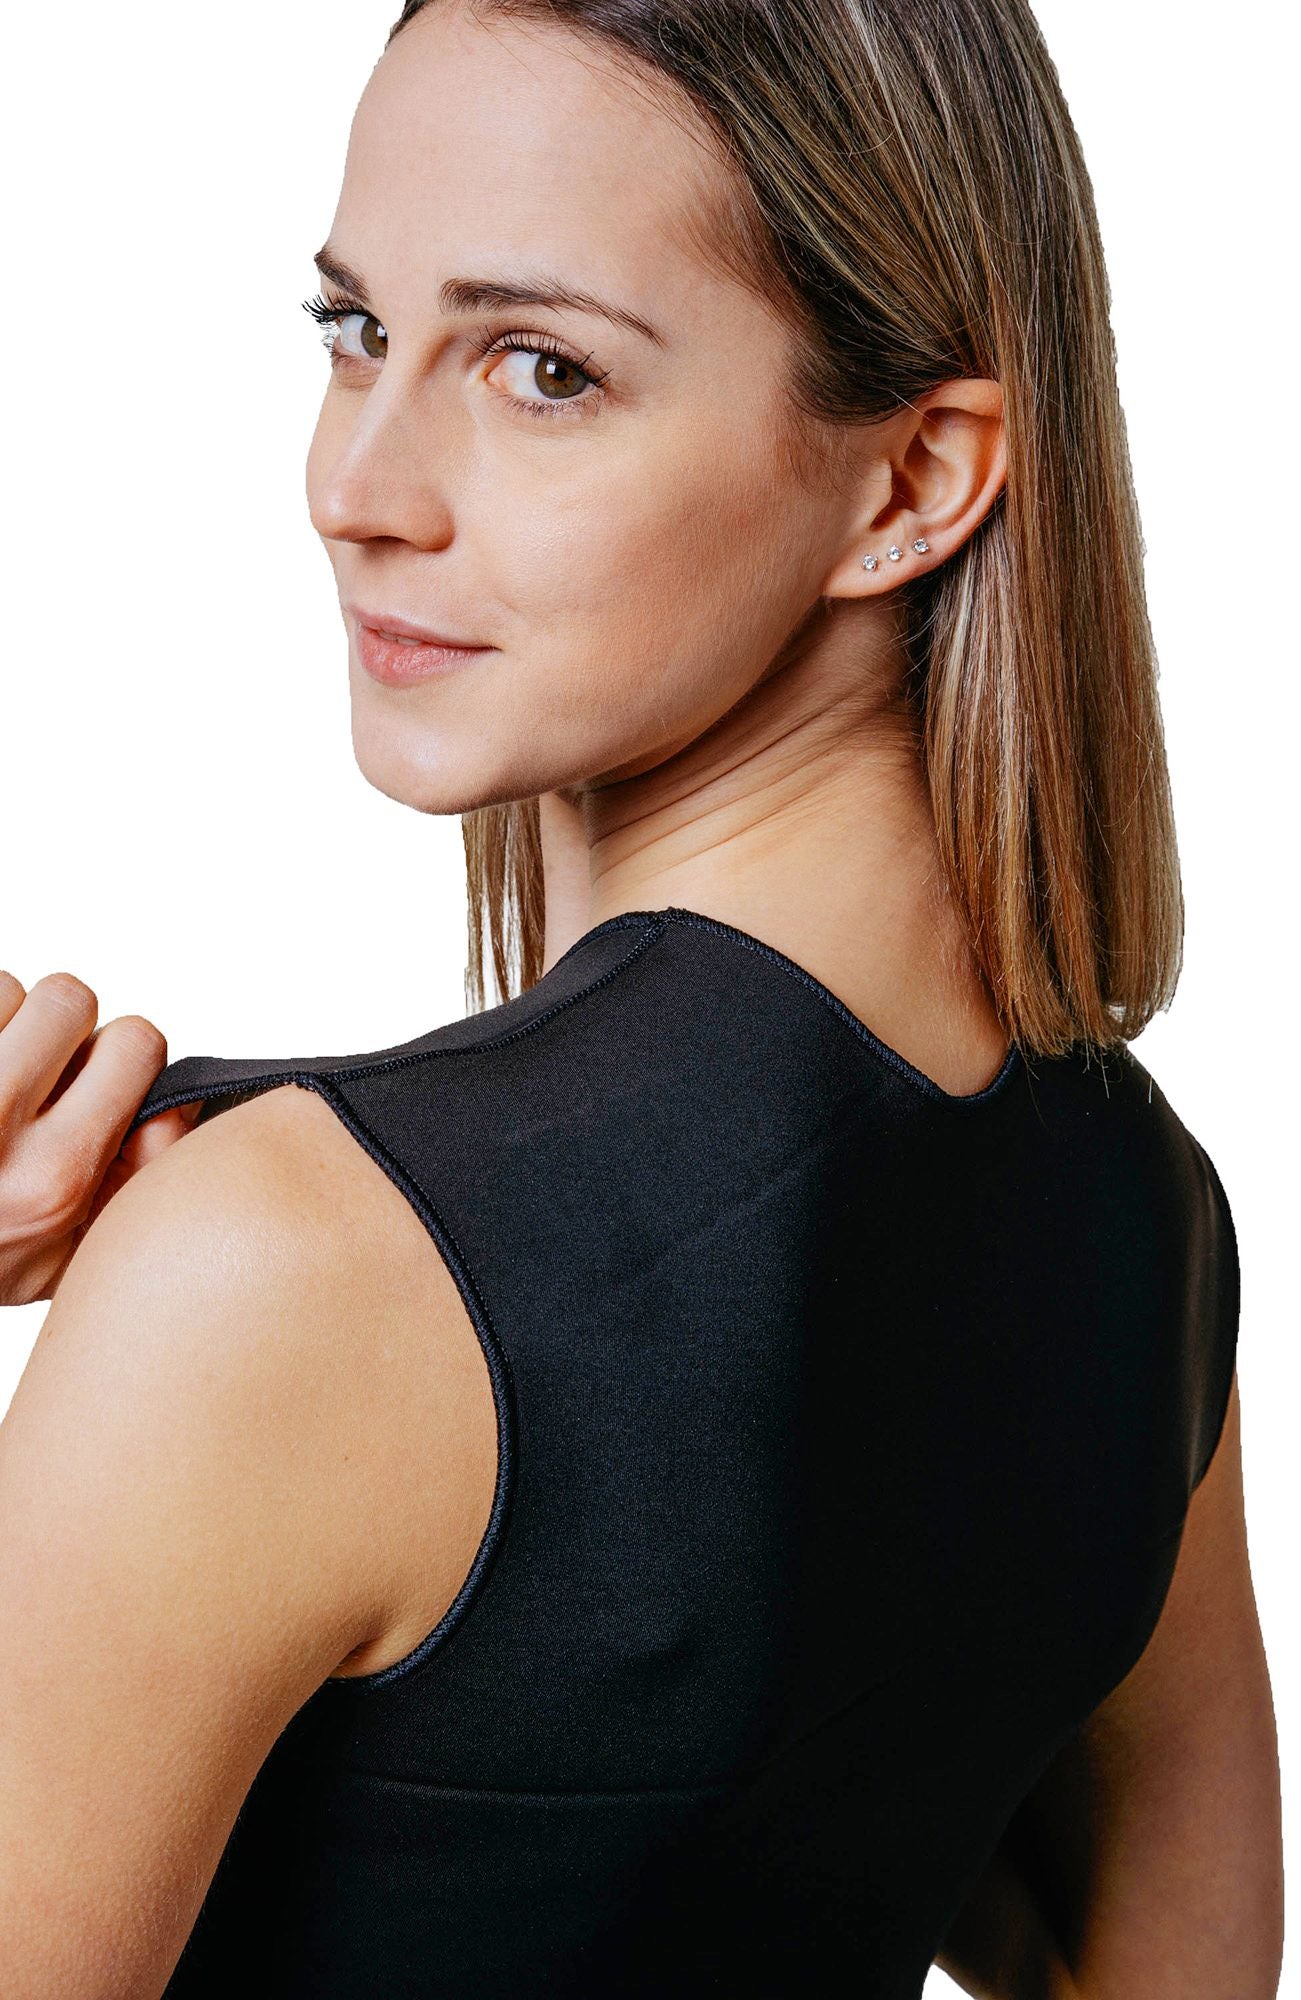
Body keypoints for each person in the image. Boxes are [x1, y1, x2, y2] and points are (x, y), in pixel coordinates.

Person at [0, 1, 1281, 1995]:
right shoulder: (1139, 1205)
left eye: (543, 368)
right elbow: (1162, 1952)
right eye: (354, 329)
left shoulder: (281, 1271)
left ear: (912, 479)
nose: (359, 484)